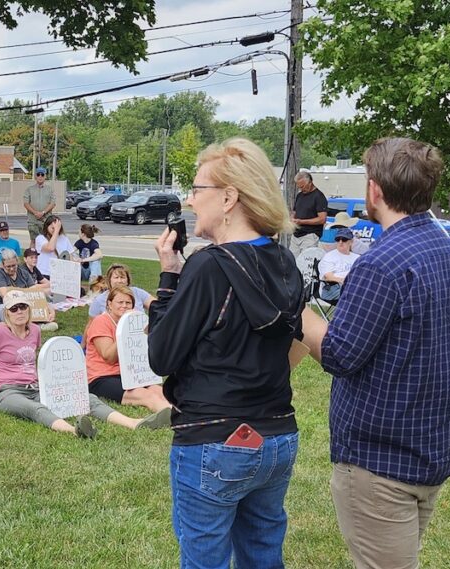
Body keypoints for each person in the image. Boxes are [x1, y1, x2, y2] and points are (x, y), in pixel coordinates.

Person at [299, 138, 450, 569]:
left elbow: (340, 354)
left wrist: (296, 311)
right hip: (434, 448)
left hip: (381, 463)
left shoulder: (379, 264)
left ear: (374, 190)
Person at [147, 138, 302, 568]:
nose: (191, 201)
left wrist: (167, 280)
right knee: (263, 556)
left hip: (215, 438)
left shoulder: (209, 265)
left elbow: (160, 355)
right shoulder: (284, 262)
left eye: (197, 190)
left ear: (229, 197)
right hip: (277, 435)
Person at [0, 291, 170, 438]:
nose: (19, 312)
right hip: (5, 391)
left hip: (36, 386)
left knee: (86, 398)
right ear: (6, 314)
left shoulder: (36, 331)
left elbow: (39, 362)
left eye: (23, 307)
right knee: (36, 410)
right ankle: (75, 431)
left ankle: (134, 423)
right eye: (14, 308)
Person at [85, 287, 170, 412]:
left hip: (130, 374)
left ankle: (184, 412)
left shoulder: (136, 321)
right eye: (120, 302)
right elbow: (108, 357)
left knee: (160, 391)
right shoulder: (100, 321)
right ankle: (174, 417)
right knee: (145, 395)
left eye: (128, 303)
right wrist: (123, 331)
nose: (124, 306)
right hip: (102, 377)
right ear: (109, 304)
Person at [0, 249, 51, 324]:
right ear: (2, 264)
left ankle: (32, 324)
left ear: (17, 262)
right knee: (4, 309)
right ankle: (30, 326)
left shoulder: (23, 273)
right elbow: (5, 294)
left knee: (35, 306)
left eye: (14, 265)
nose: (11, 269)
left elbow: (34, 293)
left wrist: (50, 310)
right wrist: (25, 291)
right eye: (8, 266)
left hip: (20, 307)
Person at [87, 264, 153, 318]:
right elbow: (91, 325)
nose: (119, 281)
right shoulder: (99, 300)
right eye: (116, 277)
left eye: (122, 277)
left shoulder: (137, 292)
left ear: (127, 280)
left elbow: (157, 306)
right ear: (109, 280)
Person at [290, 170, 328, 257]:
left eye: (303, 186)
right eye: (299, 187)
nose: (301, 189)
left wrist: (301, 221)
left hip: (310, 235)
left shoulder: (319, 196)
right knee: (292, 260)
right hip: (296, 234)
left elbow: (322, 219)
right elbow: (294, 211)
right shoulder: (299, 195)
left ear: (310, 182)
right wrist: (292, 218)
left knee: (306, 261)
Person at [317, 227, 360, 303]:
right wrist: (344, 281)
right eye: (338, 239)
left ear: (351, 241)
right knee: (358, 294)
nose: (340, 242)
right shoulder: (329, 256)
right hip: (331, 288)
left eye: (344, 239)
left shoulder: (357, 258)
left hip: (353, 287)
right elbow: (328, 276)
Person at [23, 167, 55, 249]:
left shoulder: (50, 189)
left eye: (42, 174)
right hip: (33, 220)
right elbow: (26, 203)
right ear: (35, 176)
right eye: (38, 174)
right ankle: (31, 259)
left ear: (45, 176)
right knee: (34, 241)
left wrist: (43, 212)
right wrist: (35, 212)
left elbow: (52, 203)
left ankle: (46, 259)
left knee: (48, 240)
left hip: (46, 220)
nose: (40, 176)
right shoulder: (29, 189)